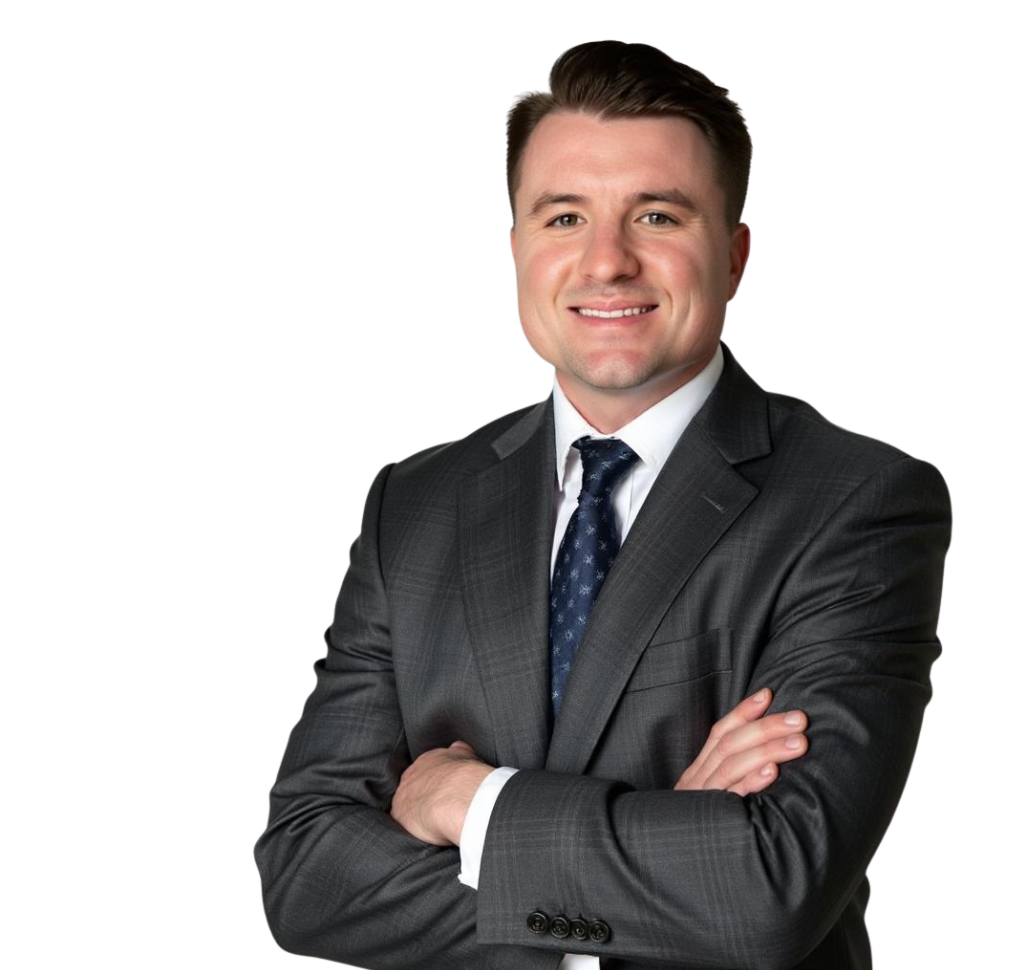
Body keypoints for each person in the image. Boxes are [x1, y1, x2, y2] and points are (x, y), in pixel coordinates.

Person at [254, 40, 952, 970]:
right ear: (516, 250)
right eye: (564, 216)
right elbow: (304, 876)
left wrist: (466, 805)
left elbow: (772, 893)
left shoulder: (859, 502)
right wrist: (666, 855)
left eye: (657, 215)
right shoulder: (412, 504)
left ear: (737, 255)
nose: (607, 262)